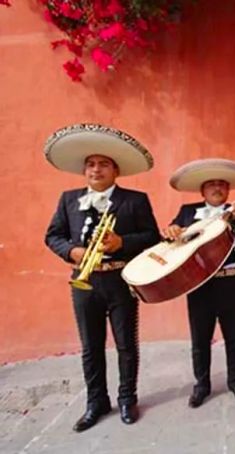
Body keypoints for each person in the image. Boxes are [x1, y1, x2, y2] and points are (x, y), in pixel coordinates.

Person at [44, 124, 159, 432]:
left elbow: (152, 237)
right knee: (90, 346)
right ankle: (96, 402)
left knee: (126, 344)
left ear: (115, 170)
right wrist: (71, 252)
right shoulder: (69, 199)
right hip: (85, 280)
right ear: (85, 170)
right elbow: (53, 236)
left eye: (104, 164)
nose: (96, 169)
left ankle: (126, 399)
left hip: (121, 279)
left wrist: (122, 243)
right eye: (91, 164)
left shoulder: (135, 200)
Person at [163, 158, 235, 408]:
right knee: (200, 337)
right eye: (211, 184)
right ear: (202, 190)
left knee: (234, 335)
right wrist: (172, 231)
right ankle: (202, 385)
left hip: (231, 281)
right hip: (198, 285)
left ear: (228, 189)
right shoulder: (188, 212)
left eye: (222, 184)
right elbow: (171, 242)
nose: (217, 188)